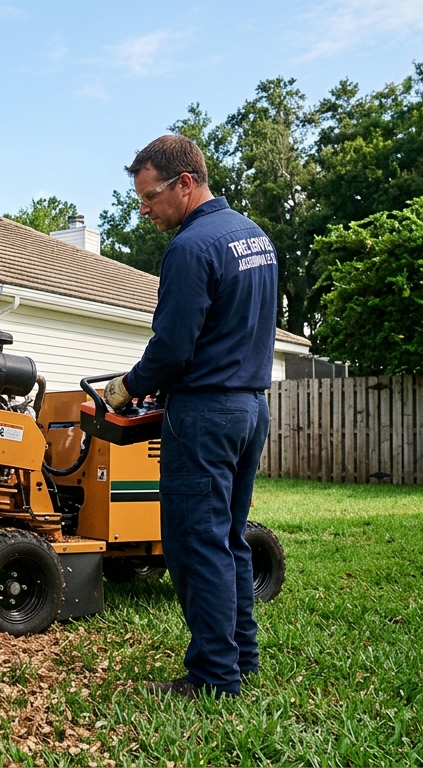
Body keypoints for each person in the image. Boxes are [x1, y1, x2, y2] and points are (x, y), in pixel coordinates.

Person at [102, 135, 278, 698]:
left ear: (184, 183)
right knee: (228, 539)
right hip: (250, 407)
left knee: (194, 543)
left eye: (150, 197)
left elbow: (175, 345)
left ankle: (212, 676)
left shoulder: (190, 247)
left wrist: (128, 388)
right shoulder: (255, 238)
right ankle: (240, 660)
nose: (145, 209)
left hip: (204, 414)